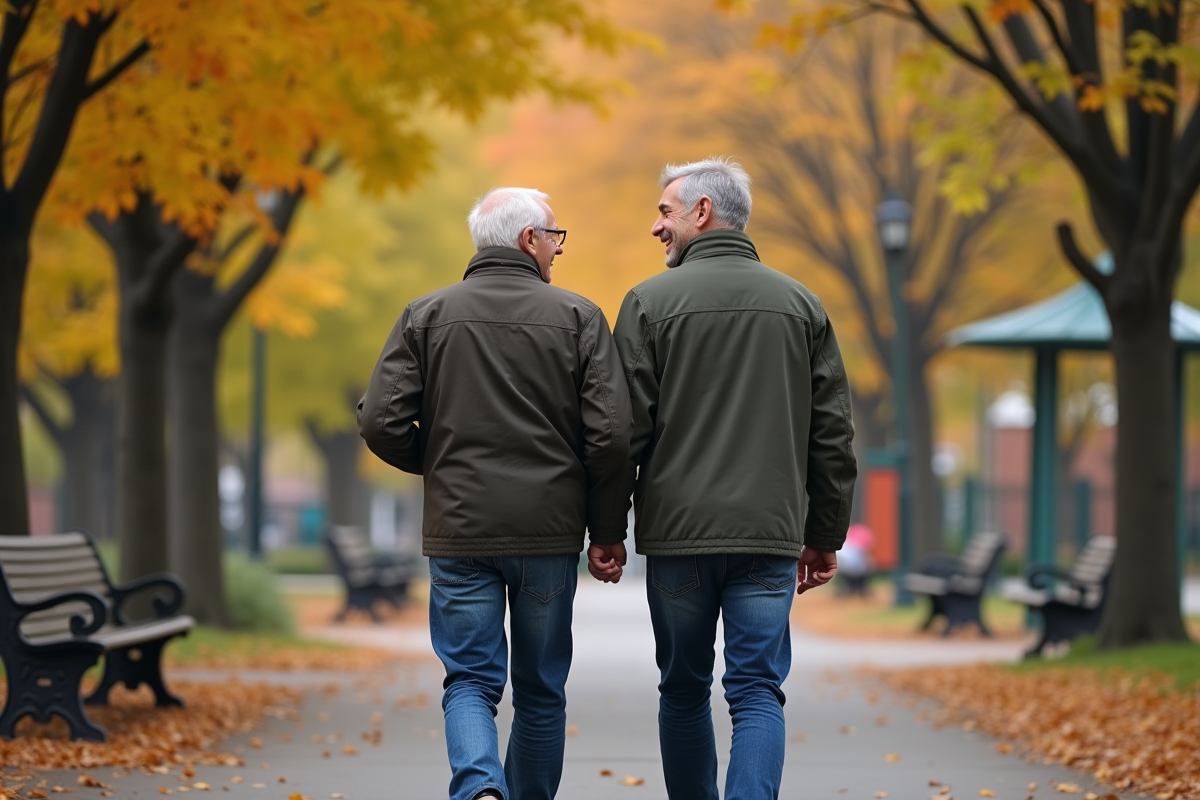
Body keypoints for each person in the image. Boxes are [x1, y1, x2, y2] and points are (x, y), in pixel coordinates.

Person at [357, 187, 632, 800]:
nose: (558, 249)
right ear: (529, 240)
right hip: (547, 532)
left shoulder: (425, 316)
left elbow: (379, 421)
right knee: (540, 688)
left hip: (460, 531)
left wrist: (438, 463)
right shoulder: (579, 318)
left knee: (469, 681)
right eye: (555, 237)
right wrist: (606, 530)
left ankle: (481, 786)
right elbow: (611, 438)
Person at [611, 157, 857, 800]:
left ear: (701, 212)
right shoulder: (802, 305)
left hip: (679, 538)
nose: (655, 227)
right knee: (756, 690)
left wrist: (607, 528)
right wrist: (824, 533)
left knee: (684, 688)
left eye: (665, 212)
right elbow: (832, 434)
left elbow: (621, 435)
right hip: (768, 536)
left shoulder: (647, 304)